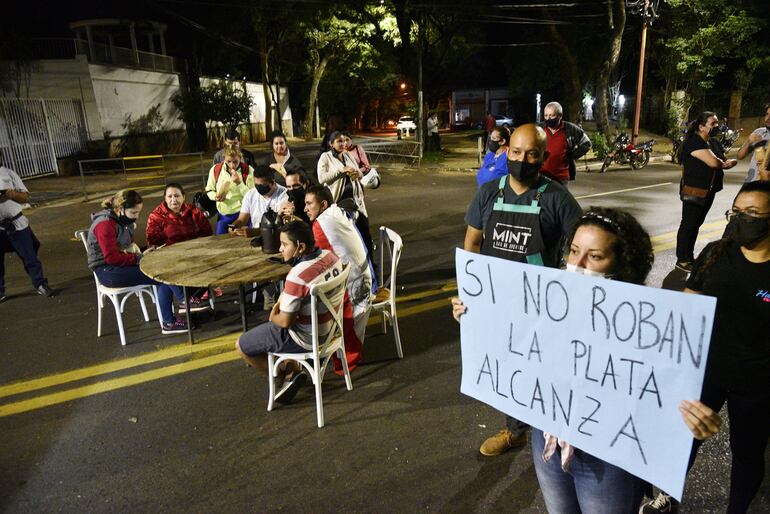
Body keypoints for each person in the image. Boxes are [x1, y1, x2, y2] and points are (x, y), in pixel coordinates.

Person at [454, 207, 721, 514]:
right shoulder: (547, 300)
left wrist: (693, 420)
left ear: (623, 264)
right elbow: (516, 342)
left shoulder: (648, 326)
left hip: (608, 457)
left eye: (594, 256)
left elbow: (660, 390)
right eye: (574, 251)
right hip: (548, 442)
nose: (577, 264)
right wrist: (474, 317)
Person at [451, 123, 582, 457]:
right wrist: (467, 291)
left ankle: (556, 435)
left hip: (541, 306)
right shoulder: (488, 193)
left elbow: (585, 247)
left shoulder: (557, 198)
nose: (523, 160)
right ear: (507, 151)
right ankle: (516, 431)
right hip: (497, 302)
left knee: (544, 371)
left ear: (543, 157)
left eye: (532, 155)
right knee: (508, 367)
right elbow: (472, 242)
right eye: (517, 153)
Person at [642, 181, 770, 514]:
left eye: (752, 214)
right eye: (736, 212)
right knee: (684, 438)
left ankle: (737, 509)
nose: (740, 220)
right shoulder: (715, 252)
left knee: (747, 452)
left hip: (756, 383)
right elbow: (688, 310)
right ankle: (668, 495)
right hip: (706, 372)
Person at [234, 220, 347, 404]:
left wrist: (273, 316)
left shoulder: (297, 274)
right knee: (277, 327)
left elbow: (285, 321)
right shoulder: (331, 257)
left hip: (306, 338)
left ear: (300, 247)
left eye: (285, 245)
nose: (280, 249)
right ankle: (292, 370)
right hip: (331, 331)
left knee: (241, 345)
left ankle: (282, 375)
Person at [86, 190, 187, 334]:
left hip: (118, 264)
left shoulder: (119, 219)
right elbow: (111, 258)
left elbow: (126, 248)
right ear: (120, 209)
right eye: (134, 213)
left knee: (160, 267)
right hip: (106, 271)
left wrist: (145, 251)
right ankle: (180, 306)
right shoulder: (105, 224)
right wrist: (139, 258)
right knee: (160, 274)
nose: (137, 216)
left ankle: (176, 312)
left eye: (138, 212)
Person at [304, 184, 373, 372]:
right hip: (365, 274)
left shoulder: (320, 225)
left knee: (304, 299)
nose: (305, 208)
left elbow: (318, 258)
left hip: (352, 284)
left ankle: (314, 357)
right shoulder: (335, 212)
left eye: (309, 204)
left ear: (323, 204)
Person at [674, 111, 738, 272]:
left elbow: (722, 159)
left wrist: (725, 162)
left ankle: (689, 256)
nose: (717, 127)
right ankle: (682, 259)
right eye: (713, 124)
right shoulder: (694, 142)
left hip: (709, 190)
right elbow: (715, 162)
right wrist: (725, 163)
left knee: (696, 224)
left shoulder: (712, 142)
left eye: (717, 123)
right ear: (701, 127)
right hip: (695, 191)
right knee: (688, 224)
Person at [145, 183, 214, 309]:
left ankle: (192, 301)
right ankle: (181, 307)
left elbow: (207, 233)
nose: (173, 200)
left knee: (214, 264)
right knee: (165, 279)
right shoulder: (156, 216)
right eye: (169, 196)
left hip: (195, 254)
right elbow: (154, 242)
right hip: (172, 258)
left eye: (177, 196)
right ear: (165, 198)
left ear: (183, 197)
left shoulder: (194, 211)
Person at [317, 130, 375, 264]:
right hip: (339, 205)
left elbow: (359, 172)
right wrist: (341, 171)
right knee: (347, 242)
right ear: (331, 144)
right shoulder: (325, 157)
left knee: (365, 237)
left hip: (357, 203)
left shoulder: (348, 155)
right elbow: (322, 178)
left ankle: (371, 267)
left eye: (344, 141)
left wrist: (357, 173)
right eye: (339, 141)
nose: (343, 144)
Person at [0, 162, 53, 301]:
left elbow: (24, 197)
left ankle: (40, 284)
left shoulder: (9, 173)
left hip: (16, 224)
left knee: (30, 257)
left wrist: (12, 194)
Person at [205, 146, 256, 235]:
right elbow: (209, 190)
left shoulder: (248, 170)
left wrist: (239, 183)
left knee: (244, 244)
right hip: (223, 215)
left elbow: (253, 196)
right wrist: (215, 196)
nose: (232, 165)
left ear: (240, 158)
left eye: (235, 161)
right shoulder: (215, 170)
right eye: (229, 161)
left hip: (243, 214)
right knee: (220, 243)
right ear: (224, 158)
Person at [229, 165, 288, 238]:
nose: (258, 189)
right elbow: (242, 219)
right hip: (256, 237)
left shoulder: (284, 195)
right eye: (256, 185)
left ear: (272, 182)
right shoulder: (250, 194)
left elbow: (279, 225)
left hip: (276, 238)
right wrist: (234, 226)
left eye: (262, 186)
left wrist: (256, 232)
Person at [541, 101, 592, 186]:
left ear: (560, 116)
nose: (548, 119)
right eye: (546, 115)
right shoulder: (539, 129)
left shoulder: (570, 129)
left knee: (561, 199)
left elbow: (587, 143)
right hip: (541, 176)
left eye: (552, 115)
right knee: (539, 199)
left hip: (562, 178)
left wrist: (572, 155)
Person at [736, 102, 770, 183]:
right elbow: (740, 156)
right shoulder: (759, 132)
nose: (768, 118)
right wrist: (749, 142)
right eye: (767, 114)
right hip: (751, 182)